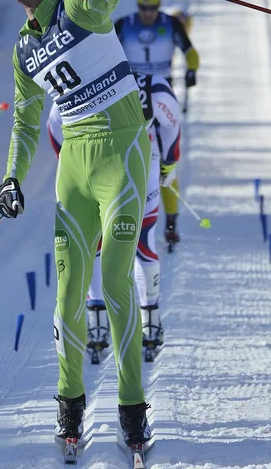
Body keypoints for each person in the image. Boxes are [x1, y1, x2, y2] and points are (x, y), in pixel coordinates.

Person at [0, 0, 152, 450]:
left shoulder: (77, 4)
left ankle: (132, 409)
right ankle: (70, 408)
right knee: (66, 295)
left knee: (114, 282)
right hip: (75, 166)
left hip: (121, 151)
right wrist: (13, 178)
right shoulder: (23, 48)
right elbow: (24, 122)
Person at [47, 68, 181, 358]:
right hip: (136, 160)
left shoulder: (84, 79)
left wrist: (69, 160)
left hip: (108, 161)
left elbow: (55, 127)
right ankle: (138, 319)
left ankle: (118, 320)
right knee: (130, 238)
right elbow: (171, 124)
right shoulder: (150, 84)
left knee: (117, 238)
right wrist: (169, 162)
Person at [115, 0, 199, 247]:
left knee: (167, 160)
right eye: (143, 7)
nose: (147, 13)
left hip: (163, 94)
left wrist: (191, 71)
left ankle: (171, 223)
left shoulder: (171, 24)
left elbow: (191, 52)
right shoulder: (124, 25)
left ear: (158, 6)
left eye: (151, 8)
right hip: (131, 95)